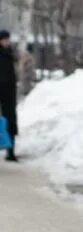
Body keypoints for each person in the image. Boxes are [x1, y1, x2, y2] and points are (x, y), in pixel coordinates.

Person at [0, 30, 18, 162]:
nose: (7, 41)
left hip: (10, 92)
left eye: (8, 39)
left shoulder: (10, 53)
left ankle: (11, 152)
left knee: (10, 120)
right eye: (4, 39)